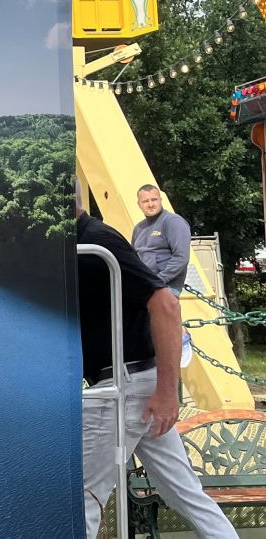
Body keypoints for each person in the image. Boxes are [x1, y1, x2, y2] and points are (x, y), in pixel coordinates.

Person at [76, 194, 236, 539]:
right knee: (186, 494)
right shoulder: (90, 239)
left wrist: (167, 392)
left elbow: (166, 304)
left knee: (83, 497)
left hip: (125, 385)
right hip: (135, 382)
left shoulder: (94, 240)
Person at [132, 184, 192, 296]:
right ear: (139, 204)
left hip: (166, 289)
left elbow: (181, 257)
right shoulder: (138, 228)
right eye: (145, 201)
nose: (150, 204)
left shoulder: (173, 222)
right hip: (144, 288)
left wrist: (158, 280)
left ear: (160, 200)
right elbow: (134, 259)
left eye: (154, 199)